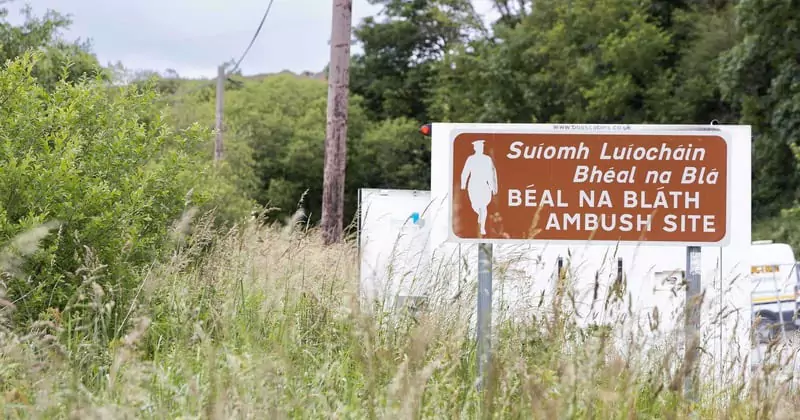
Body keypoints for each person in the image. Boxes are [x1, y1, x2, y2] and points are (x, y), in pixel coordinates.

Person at [460, 139, 498, 235]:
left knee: (483, 206)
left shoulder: (487, 159)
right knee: (475, 206)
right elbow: (465, 172)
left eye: (482, 147)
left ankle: (482, 227)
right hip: (473, 185)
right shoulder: (471, 159)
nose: (481, 149)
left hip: (484, 185)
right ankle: (479, 215)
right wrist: (463, 185)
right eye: (479, 147)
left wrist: (493, 187)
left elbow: (491, 173)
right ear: (475, 148)